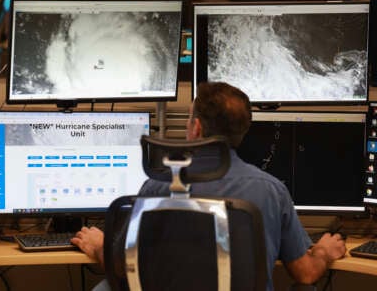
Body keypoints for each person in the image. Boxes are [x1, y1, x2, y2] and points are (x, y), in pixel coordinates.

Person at [71, 81, 346, 290]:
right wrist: (322, 251)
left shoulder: (158, 187)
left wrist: (99, 246)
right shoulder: (272, 190)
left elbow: (122, 267)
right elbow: (306, 273)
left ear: (197, 128)